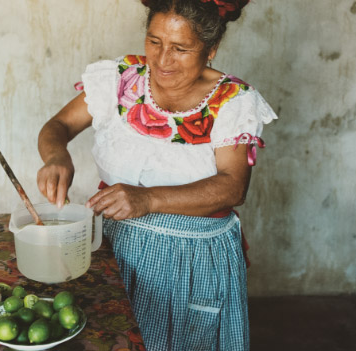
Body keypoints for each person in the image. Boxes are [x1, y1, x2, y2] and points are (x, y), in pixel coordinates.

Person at [37, 0, 277, 349]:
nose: (163, 60)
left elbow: (232, 186)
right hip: (115, 245)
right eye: (154, 42)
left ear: (211, 48)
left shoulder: (233, 101)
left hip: (193, 259)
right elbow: (58, 125)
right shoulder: (121, 79)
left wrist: (147, 198)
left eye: (180, 48)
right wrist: (57, 156)